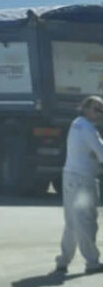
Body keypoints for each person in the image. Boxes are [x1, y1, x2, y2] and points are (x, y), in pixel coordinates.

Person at [55, 95, 103, 274]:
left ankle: (63, 261)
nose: (99, 113)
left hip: (70, 177)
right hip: (83, 180)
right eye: (96, 109)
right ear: (85, 109)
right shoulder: (88, 128)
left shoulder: (77, 123)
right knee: (86, 221)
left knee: (72, 222)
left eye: (101, 109)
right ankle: (92, 263)